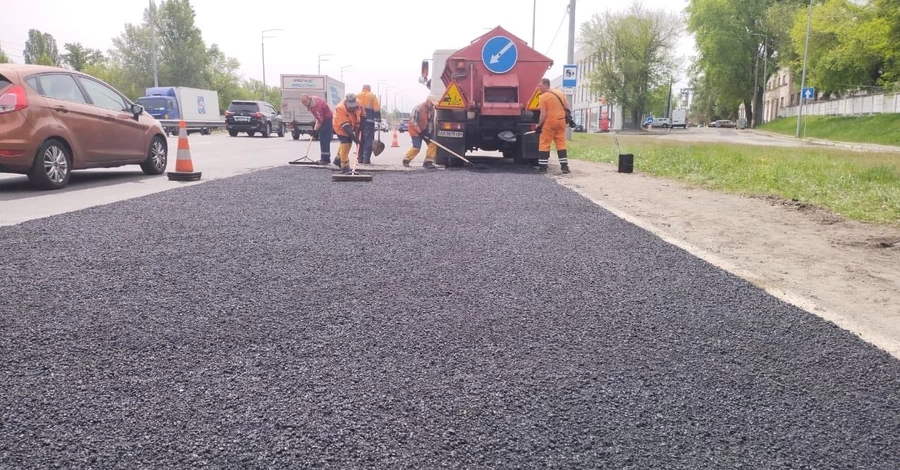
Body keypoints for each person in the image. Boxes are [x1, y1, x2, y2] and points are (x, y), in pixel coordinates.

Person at [536, 78, 571, 173]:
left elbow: (543, 115)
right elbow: (568, 107)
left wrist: (539, 127)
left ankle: (543, 168)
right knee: (561, 144)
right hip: (561, 122)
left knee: (544, 144)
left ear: (546, 85)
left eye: (540, 86)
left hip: (549, 123)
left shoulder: (543, 97)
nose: (538, 88)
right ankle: (565, 167)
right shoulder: (559, 93)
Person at [331, 93, 365, 174]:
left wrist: (361, 128)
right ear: (346, 102)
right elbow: (346, 127)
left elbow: (363, 115)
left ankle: (338, 159)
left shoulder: (359, 103)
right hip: (340, 126)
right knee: (345, 143)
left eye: (354, 106)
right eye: (351, 107)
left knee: (348, 143)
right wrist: (355, 139)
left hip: (351, 125)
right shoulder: (340, 108)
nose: (352, 108)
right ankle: (345, 166)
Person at [403, 95, 437, 169]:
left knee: (433, 144)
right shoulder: (418, 109)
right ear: (428, 101)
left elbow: (430, 123)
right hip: (414, 130)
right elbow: (414, 123)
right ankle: (406, 159)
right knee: (417, 147)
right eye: (432, 103)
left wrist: (428, 134)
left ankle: (428, 162)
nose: (433, 105)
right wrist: (421, 133)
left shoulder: (432, 110)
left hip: (424, 130)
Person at [300, 93, 334, 164]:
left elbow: (320, 120)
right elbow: (318, 119)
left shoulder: (316, 107)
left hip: (328, 119)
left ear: (309, 99)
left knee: (324, 138)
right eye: (302, 102)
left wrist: (315, 130)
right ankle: (326, 158)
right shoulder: (313, 99)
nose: (304, 104)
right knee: (323, 138)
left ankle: (325, 159)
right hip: (325, 118)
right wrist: (315, 129)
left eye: (305, 102)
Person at [356, 84, 381, 164]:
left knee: (360, 139)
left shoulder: (357, 96)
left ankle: (360, 158)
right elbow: (376, 108)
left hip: (359, 121)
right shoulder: (372, 96)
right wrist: (378, 119)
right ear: (369, 89)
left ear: (362, 88)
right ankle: (366, 159)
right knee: (368, 140)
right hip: (369, 121)